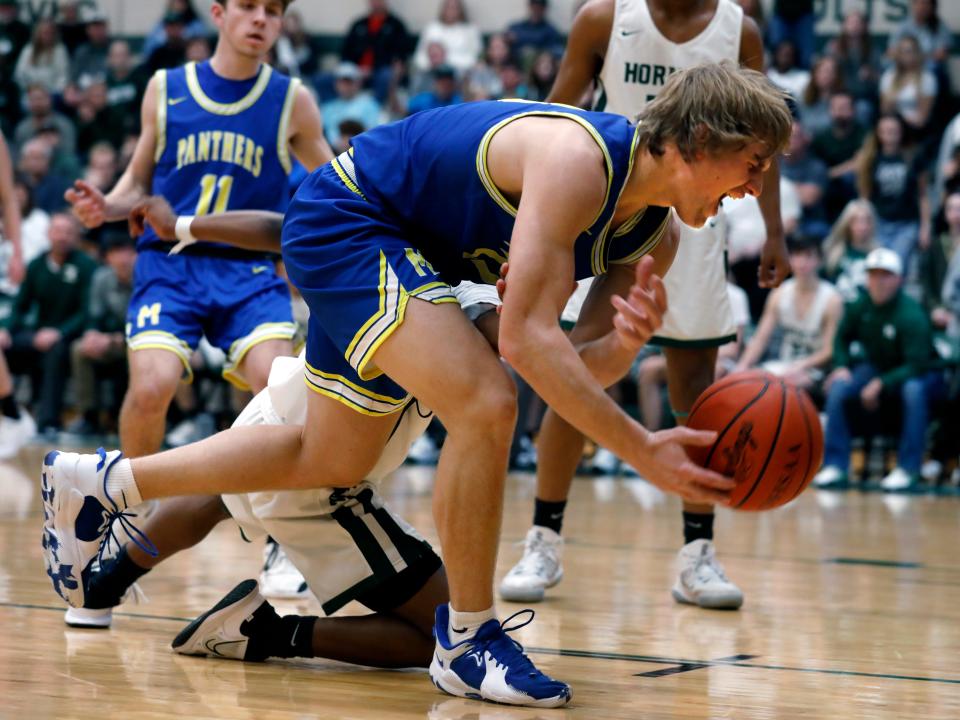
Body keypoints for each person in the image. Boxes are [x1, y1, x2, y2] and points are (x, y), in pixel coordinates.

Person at [42, 64, 792, 707]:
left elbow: (570, 366)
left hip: (409, 259)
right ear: (701, 141)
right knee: (483, 402)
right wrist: (641, 450)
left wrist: (625, 347)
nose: (758, 187)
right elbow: (527, 350)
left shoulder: (652, 231)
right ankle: (467, 640)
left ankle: (104, 482)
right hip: (352, 220)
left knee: (326, 459)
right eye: (753, 164)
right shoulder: (578, 160)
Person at [63, 202, 499, 664]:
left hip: (278, 414)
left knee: (221, 495)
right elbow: (516, 342)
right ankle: (263, 632)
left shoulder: (371, 217)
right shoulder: (455, 280)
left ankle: (102, 584)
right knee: (452, 633)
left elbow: (280, 228)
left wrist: (182, 225)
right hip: (322, 478)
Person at [498, 0, 790, 611]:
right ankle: (542, 539)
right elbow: (554, 117)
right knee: (572, 374)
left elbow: (763, 144)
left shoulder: (741, 30)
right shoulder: (602, 19)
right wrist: (531, 227)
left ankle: (697, 555)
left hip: (693, 220)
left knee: (699, 397)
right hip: (601, 211)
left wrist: (774, 230)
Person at [63, 0, 331, 600]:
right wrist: (106, 205)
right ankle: (128, 522)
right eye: (248, 7)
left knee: (282, 388)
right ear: (218, 12)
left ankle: (280, 539)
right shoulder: (166, 86)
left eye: (272, 10)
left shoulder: (293, 100)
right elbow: (138, 179)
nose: (260, 19)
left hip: (248, 271)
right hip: (172, 266)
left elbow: (336, 182)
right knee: (153, 385)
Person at [813, 248, 945, 491]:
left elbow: (918, 364)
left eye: (885, 275)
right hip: (878, 367)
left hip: (921, 374)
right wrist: (841, 365)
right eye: (873, 275)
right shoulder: (860, 305)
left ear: (899, 279)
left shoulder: (911, 314)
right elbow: (840, 338)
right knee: (839, 385)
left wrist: (881, 383)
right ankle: (835, 465)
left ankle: (908, 468)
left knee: (913, 391)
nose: (878, 281)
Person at [1, 212, 96, 433]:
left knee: (56, 350)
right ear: (48, 234)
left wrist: (59, 332)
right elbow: (19, 304)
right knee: (4, 347)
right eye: (58, 231)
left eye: (68, 232)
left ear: (76, 237)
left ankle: (48, 422)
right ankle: (8, 417)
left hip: (70, 335)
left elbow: (86, 312)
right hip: (38, 333)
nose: (62, 237)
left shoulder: (86, 266)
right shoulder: (36, 265)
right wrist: (5, 329)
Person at [733, 234, 842, 394]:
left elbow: (829, 350)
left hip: (815, 370)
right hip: (785, 365)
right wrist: (742, 366)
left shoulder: (832, 299)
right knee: (745, 383)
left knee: (781, 387)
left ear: (819, 261)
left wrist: (801, 365)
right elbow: (760, 339)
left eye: (808, 256)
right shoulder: (780, 293)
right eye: (797, 256)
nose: (802, 263)